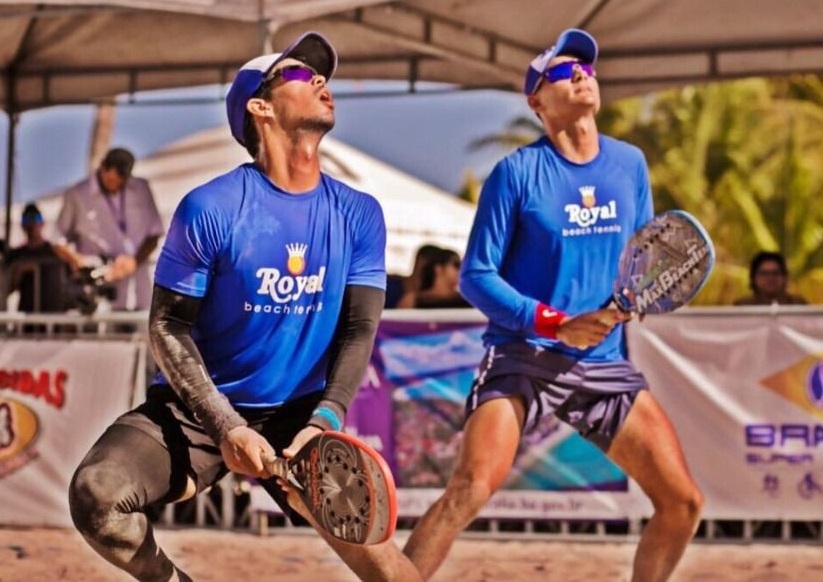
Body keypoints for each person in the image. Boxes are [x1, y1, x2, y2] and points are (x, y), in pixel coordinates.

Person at [68, 31, 422, 582]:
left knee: (393, 573)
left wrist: (325, 418)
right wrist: (227, 427)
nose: (321, 81)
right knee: (97, 498)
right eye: (301, 75)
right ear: (260, 106)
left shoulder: (358, 212)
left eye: (320, 74)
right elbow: (166, 327)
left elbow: (359, 328)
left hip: (300, 418)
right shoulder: (209, 208)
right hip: (201, 413)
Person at [403, 29, 703, 582]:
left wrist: (631, 303)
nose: (582, 74)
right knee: (468, 491)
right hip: (524, 355)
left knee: (682, 504)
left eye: (586, 67)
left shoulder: (629, 164)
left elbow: (643, 259)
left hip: (602, 363)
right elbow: (475, 277)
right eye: (564, 71)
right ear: (535, 100)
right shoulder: (516, 174)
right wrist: (557, 323)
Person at [55, 147, 163, 311]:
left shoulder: (141, 187)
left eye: (123, 181)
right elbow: (57, 238)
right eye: (112, 181)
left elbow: (154, 232)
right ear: (103, 167)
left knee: (144, 329)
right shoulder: (77, 194)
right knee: (106, 331)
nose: (117, 186)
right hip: (99, 284)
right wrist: (79, 262)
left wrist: (133, 262)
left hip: (141, 284)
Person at [5, 203, 74, 313]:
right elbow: (6, 289)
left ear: (42, 223)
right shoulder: (16, 255)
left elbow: (71, 282)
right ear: (22, 225)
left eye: (36, 219)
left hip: (55, 318)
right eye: (27, 219)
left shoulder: (56, 252)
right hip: (28, 318)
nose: (32, 224)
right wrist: (18, 272)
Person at [396, 246, 471, 308]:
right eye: (456, 265)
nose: (461, 269)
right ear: (439, 269)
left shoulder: (469, 299)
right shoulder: (413, 300)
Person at [733, 250, 807, 306]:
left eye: (775, 273)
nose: (770, 278)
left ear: (784, 277)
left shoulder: (798, 305)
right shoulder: (742, 306)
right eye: (764, 274)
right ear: (753, 278)